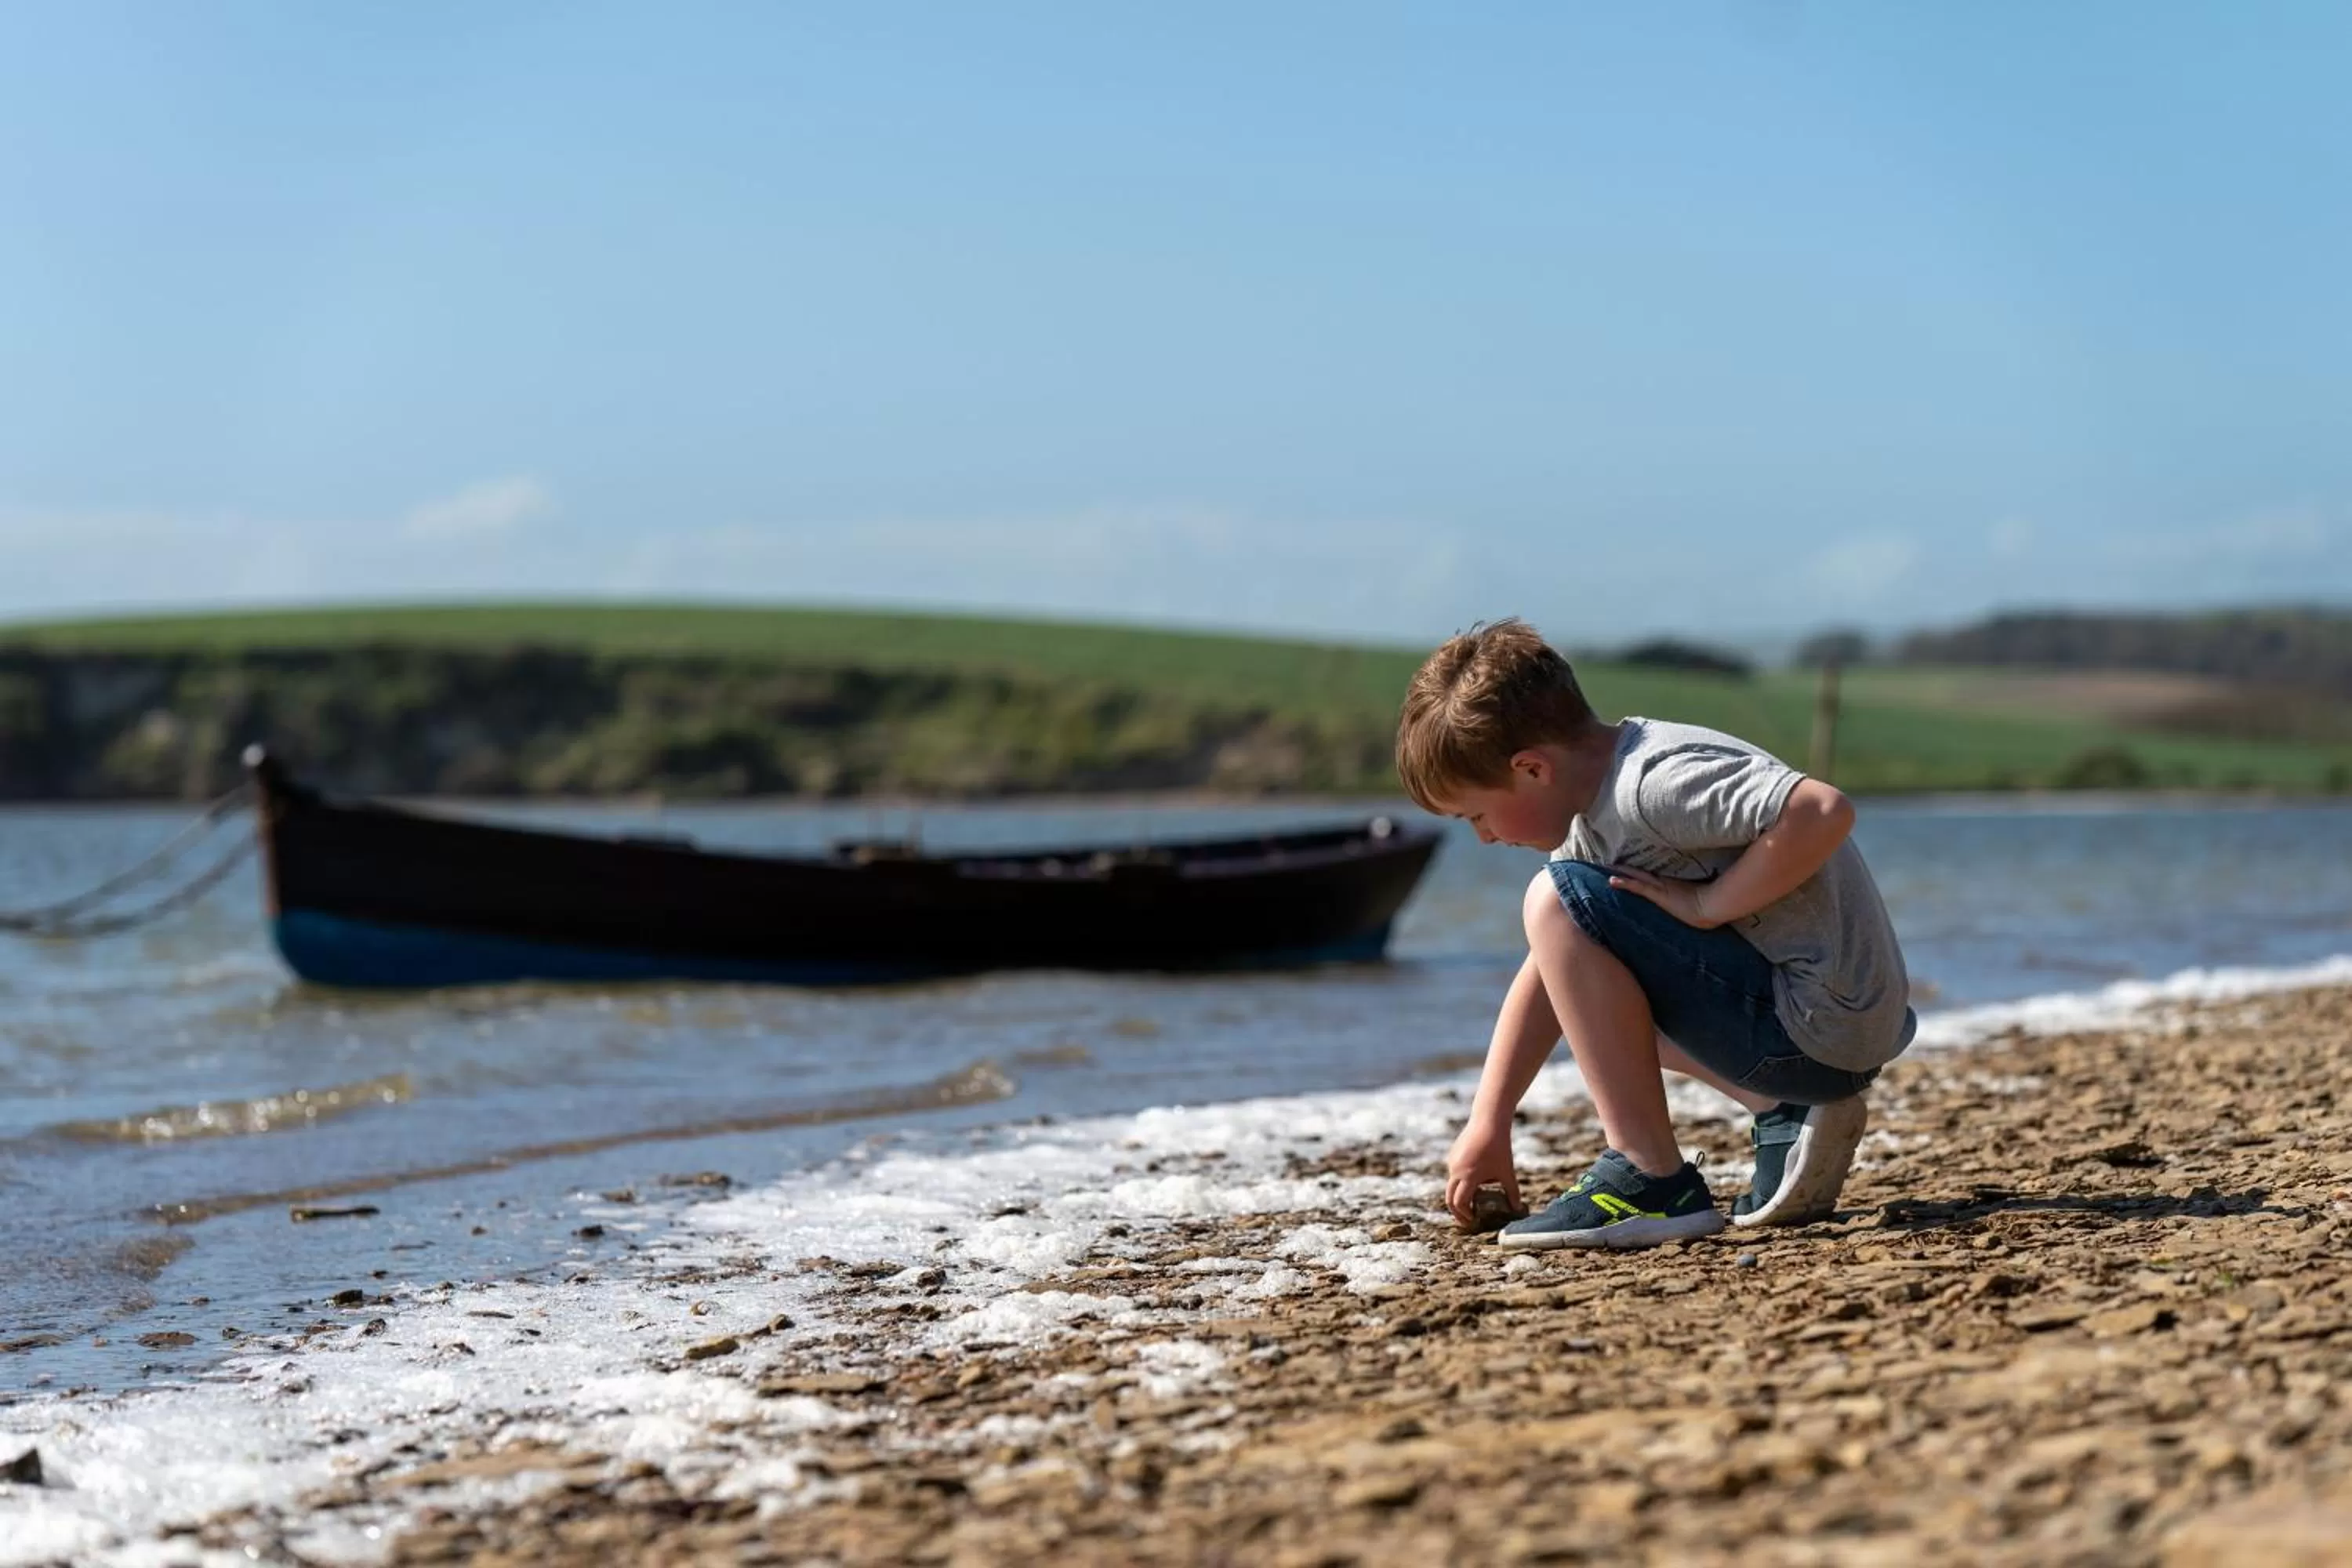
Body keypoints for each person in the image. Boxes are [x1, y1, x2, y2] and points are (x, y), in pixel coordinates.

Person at [1396, 619, 1915, 1250]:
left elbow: (1821, 810)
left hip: (1819, 1029)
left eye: (1476, 814)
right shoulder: (1592, 816)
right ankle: (1783, 1111)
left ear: (1531, 768)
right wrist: (1489, 1121)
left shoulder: (1652, 783)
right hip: (1825, 1036)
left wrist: (1708, 905)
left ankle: (1648, 1175)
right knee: (1572, 938)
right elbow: (1556, 973)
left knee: (1551, 898)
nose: (1482, 836)